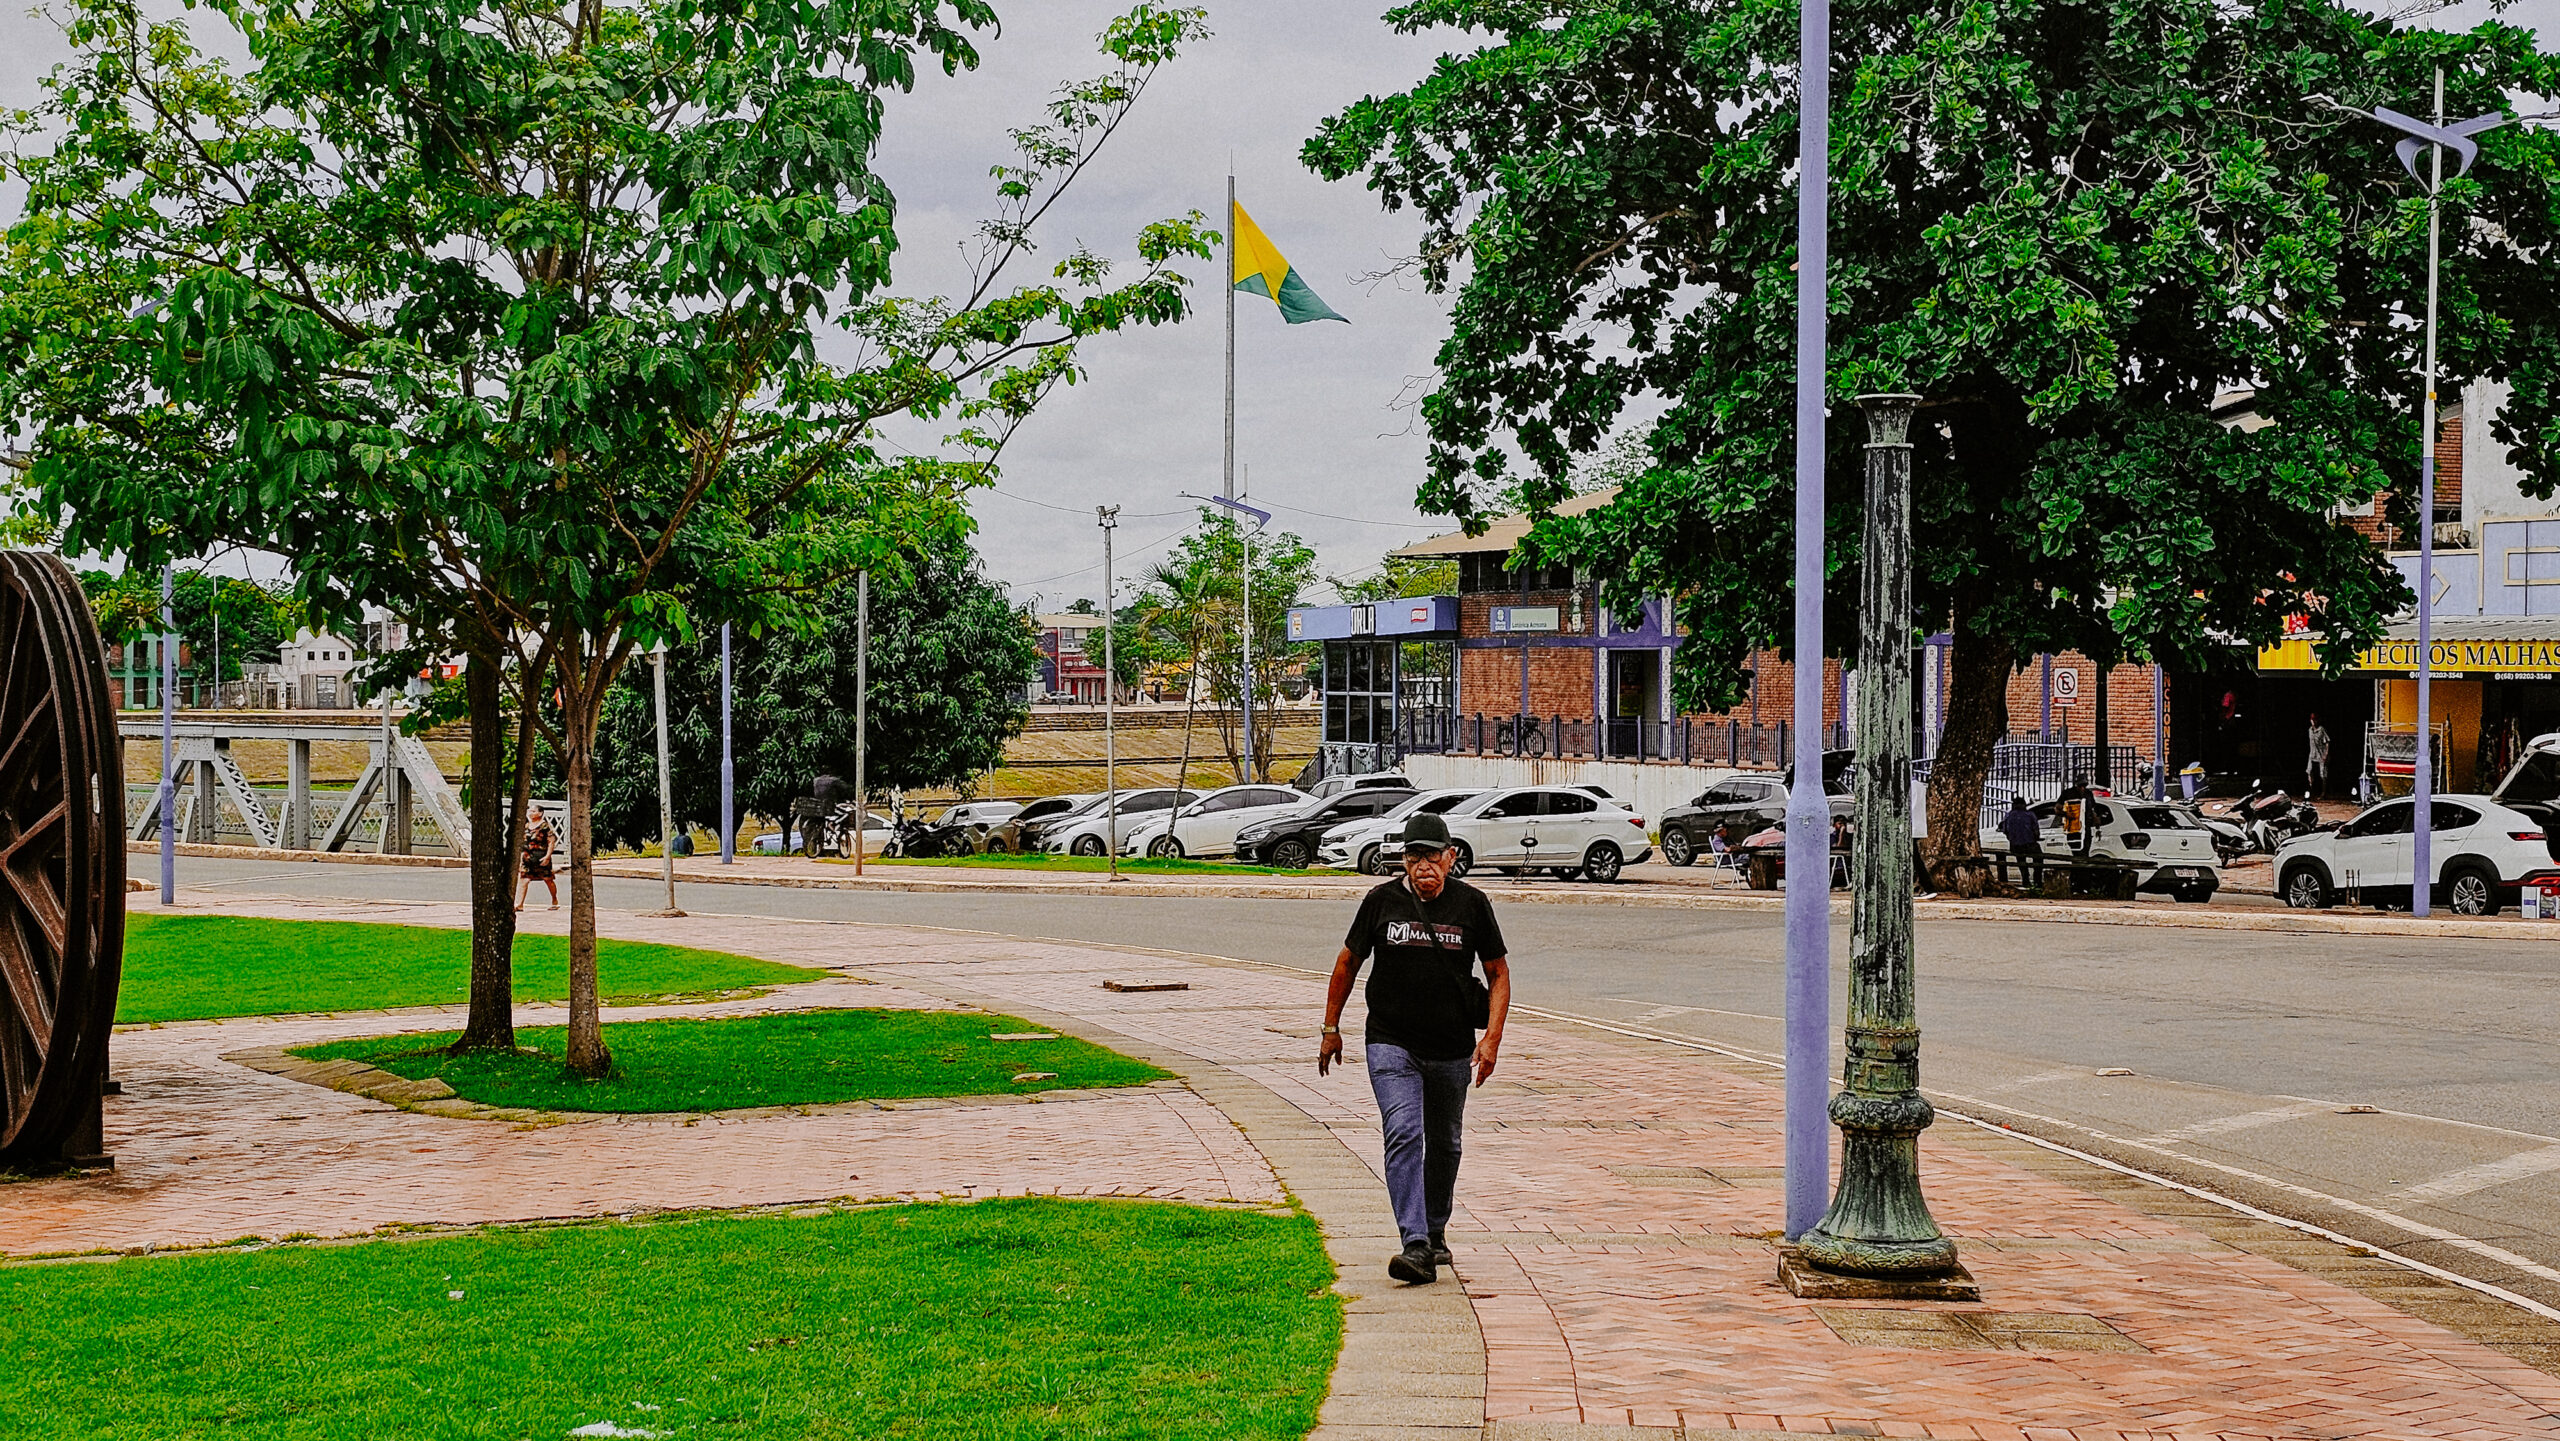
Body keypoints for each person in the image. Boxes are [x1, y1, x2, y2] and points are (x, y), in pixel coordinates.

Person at [1319, 812, 1512, 1285]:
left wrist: (1491, 1039)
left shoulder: (1472, 904)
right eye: (1413, 857)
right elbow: (1347, 962)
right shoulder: (1380, 901)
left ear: (1451, 857)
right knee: (1404, 1132)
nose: (1423, 866)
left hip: (1451, 1048)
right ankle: (1416, 1243)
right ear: (1402, 860)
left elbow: (1498, 973)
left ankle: (1435, 1227)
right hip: (1391, 1041)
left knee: (1445, 1143)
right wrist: (1330, 1027)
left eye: (1432, 856)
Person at [1999, 794, 2043, 889]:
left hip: (2015, 845)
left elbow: (2005, 830)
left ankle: (2025, 880)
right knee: (2039, 859)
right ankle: (2037, 881)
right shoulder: (2030, 815)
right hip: (2030, 843)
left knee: (2021, 862)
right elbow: (2036, 830)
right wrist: (2035, 838)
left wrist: (2012, 839)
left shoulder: (2009, 815)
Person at [517, 809, 558, 911]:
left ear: (540, 813)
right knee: (524, 880)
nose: (531, 813)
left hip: (541, 856)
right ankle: (520, 904)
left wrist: (547, 856)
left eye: (534, 811)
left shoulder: (545, 826)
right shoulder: (527, 826)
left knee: (548, 879)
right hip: (527, 857)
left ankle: (554, 900)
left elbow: (551, 842)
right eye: (530, 811)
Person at [2305, 713, 2331, 800]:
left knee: (2322, 774)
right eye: (2312, 720)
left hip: (2321, 754)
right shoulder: (2310, 730)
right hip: (2312, 754)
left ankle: (2323, 793)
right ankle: (2311, 791)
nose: (2313, 721)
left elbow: (2327, 742)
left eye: (2315, 720)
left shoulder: (2321, 729)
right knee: (2309, 771)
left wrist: (2326, 754)